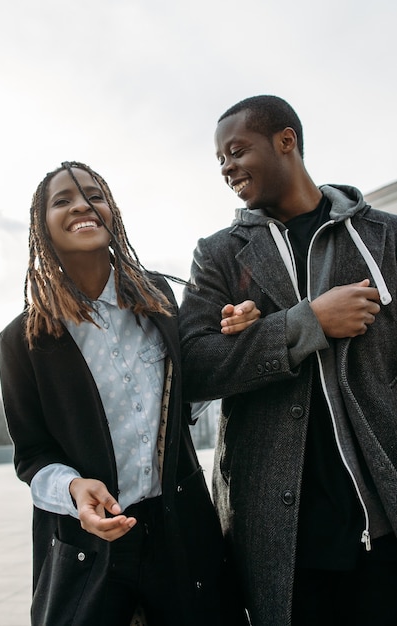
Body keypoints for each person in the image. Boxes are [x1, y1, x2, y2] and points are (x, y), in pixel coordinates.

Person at [0, 161, 258, 626]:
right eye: (63, 200)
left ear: (110, 211)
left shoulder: (157, 297)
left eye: (94, 195)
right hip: (91, 547)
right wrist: (75, 490)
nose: (82, 205)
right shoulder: (21, 341)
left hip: (182, 533)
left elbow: (186, 400)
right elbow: (32, 457)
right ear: (42, 226)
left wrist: (229, 332)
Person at [178, 96, 397, 625]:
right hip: (280, 535)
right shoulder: (219, 253)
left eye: (236, 151)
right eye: (220, 161)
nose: (227, 168)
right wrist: (306, 324)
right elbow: (193, 367)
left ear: (286, 141)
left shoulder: (385, 237)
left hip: (383, 519)